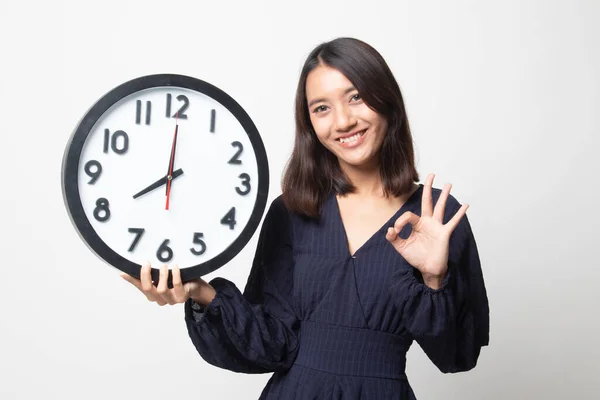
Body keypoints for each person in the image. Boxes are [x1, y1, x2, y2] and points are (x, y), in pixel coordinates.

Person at [121, 37, 489, 399]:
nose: (343, 121)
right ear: (309, 123)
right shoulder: (291, 211)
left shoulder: (434, 216)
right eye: (321, 108)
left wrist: (434, 278)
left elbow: (457, 356)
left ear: (386, 101)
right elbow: (270, 345)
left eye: (356, 97)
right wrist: (198, 291)